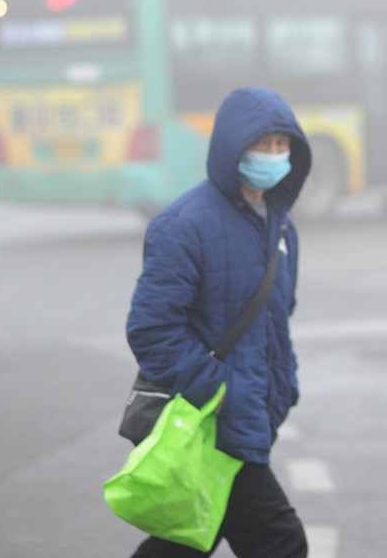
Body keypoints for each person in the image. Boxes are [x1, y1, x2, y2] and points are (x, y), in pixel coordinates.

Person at [125, 87, 312, 558]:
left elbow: (276, 320)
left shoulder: (280, 226)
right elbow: (151, 329)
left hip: (250, 415)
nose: (273, 155)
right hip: (209, 419)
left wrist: (282, 386)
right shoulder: (184, 224)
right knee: (281, 541)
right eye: (261, 144)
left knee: (188, 540)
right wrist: (220, 391)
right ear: (232, 148)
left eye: (281, 145)